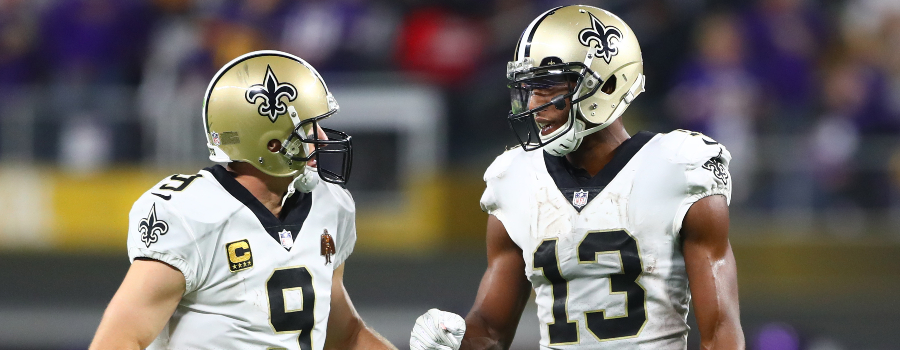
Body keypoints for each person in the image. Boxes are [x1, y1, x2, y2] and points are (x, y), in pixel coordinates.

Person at [410, 5, 744, 350]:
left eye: (548, 86)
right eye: (529, 88)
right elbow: (491, 328)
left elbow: (720, 331)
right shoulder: (515, 179)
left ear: (608, 81)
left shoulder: (677, 167)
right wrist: (455, 341)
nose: (533, 104)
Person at [90, 50, 396, 350]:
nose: (323, 138)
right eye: (308, 126)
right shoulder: (191, 214)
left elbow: (346, 337)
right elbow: (118, 340)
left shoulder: (329, 204)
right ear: (272, 141)